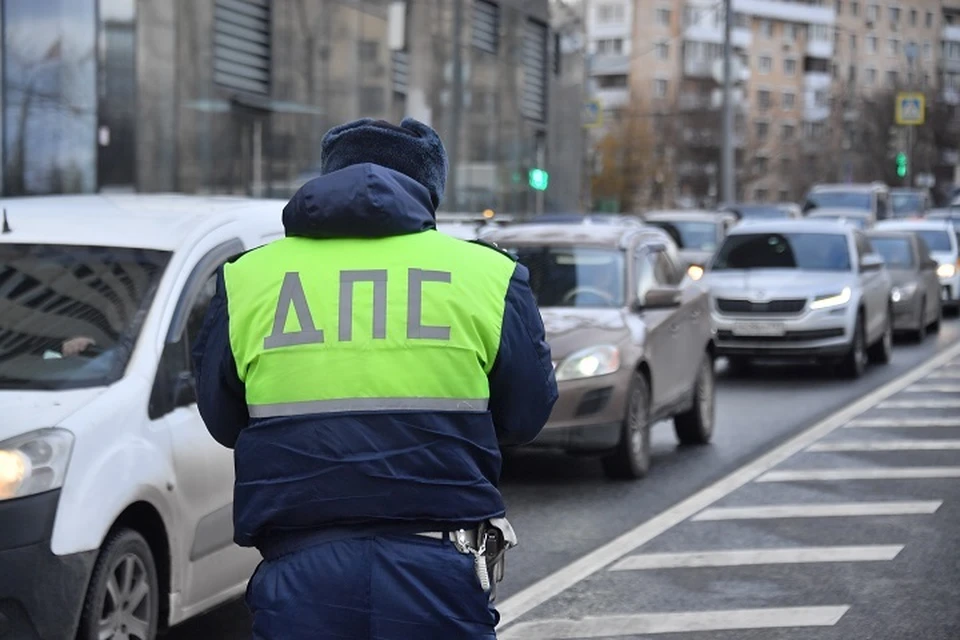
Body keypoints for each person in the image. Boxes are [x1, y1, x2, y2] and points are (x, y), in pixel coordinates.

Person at [192, 117, 558, 640]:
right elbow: (526, 416)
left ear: (327, 177)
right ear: (430, 190)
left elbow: (223, 418)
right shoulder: (488, 276)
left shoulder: (249, 277)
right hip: (437, 568)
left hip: (298, 573)